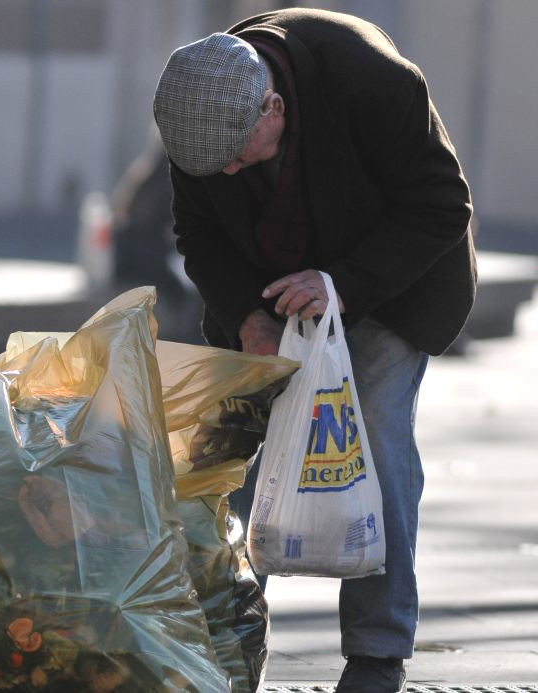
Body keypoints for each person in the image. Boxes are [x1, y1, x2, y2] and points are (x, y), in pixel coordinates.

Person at [151, 8, 476, 693]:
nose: (230, 170)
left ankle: (376, 651)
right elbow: (198, 233)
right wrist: (246, 314)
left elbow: (442, 205)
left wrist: (342, 286)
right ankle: (224, 638)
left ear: (273, 104)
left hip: (389, 282)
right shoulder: (199, 122)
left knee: (378, 440)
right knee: (231, 463)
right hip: (271, 292)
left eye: (241, 155)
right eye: (219, 165)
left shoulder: (374, 82)